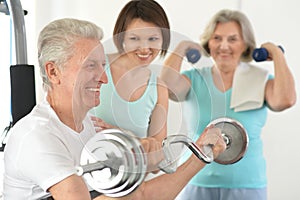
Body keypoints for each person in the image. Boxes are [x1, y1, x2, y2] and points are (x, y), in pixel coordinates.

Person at [3, 18, 226, 200]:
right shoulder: (37, 135)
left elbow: (145, 194)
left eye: (103, 65)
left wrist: (201, 154)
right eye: (90, 65)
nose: (103, 78)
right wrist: (133, 174)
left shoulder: (93, 127)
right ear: (53, 72)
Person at [161, 9, 296, 200]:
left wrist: (276, 54)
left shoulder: (261, 80)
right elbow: (164, 88)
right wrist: (181, 48)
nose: (224, 46)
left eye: (232, 39)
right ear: (208, 42)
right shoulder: (195, 79)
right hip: (195, 182)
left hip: (247, 186)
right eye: (217, 38)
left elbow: (286, 100)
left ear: (245, 45)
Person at [91, 0, 170, 154]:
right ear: (122, 38)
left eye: (153, 39)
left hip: (132, 176)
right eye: (134, 38)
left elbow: (157, 155)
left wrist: (124, 136)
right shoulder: (95, 66)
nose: (144, 48)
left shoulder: (159, 89)